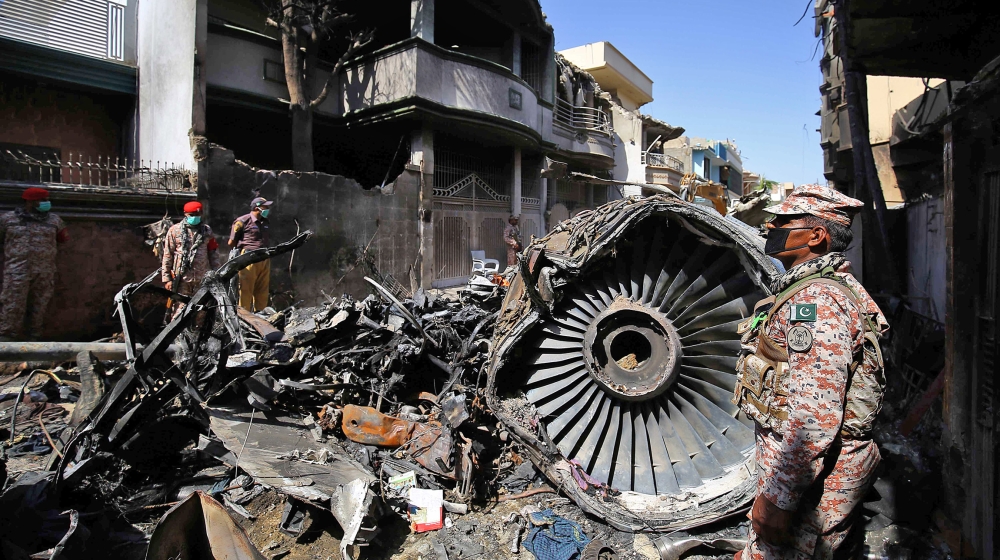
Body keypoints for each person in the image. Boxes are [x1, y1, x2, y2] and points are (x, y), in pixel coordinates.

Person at [733, 184, 889, 560]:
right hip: (803, 476)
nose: (771, 226)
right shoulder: (813, 289)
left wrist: (778, 499)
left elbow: (814, 418)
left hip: (812, 484)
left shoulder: (816, 301)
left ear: (816, 236)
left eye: (784, 221)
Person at [0, 187, 69, 341]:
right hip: (16, 272)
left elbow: (63, 239)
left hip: (45, 272)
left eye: (47, 200)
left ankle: (33, 340)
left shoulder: (54, 221)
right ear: (30, 202)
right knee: (12, 306)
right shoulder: (7, 220)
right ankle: (6, 341)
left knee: (39, 307)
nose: (46, 203)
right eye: (42, 200)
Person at [162, 200, 221, 317]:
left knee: (200, 312)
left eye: (198, 215)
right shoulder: (175, 230)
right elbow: (168, 255)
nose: (195, 218)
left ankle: (197, 329)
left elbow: (213, 253)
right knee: (180, 312)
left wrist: (216, 274)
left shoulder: (206, 231)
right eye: (192, 215)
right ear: (185, 214)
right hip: (181, 279)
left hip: (201, 279)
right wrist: (167, 278)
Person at [229, 197, 272, 312]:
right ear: (257, 208)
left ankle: (261, 315)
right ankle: (244, 316)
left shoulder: (265, 221)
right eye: (265, 206)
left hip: (264, 257)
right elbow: (231, 242)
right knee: (246, 289)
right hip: (249, 258)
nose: (268, 209)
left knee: (262, 290)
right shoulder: (243, 221)